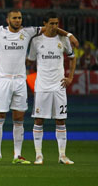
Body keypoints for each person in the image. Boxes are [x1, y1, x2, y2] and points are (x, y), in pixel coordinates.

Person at [0, 9, 78, 164]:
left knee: (18, 119)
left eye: (20, 18)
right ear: (8, 19)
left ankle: (17, 155)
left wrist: (69, 35)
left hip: (20, 81)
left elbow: (50, 28)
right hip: (2, 80)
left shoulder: (28, 32)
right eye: (15, 18)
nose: (18, 20)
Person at [27, 12, 76, 165]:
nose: (55, 26)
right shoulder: (36, 41)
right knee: (39, 120)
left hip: (59, 86)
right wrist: (32, 80)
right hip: (42, 86)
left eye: (57, 23)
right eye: (52, 23)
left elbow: (73, 58)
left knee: (61, 120)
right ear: (45, 24)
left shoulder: (64, 40)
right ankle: (38, 156)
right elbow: (30, 62)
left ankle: (62, 155)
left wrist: (71, 77)